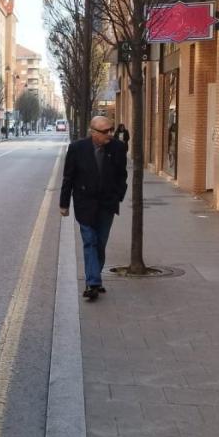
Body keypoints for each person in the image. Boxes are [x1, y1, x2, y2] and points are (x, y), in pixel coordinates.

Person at [60, 116, 128, 301]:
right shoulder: (77, 148)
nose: (110, 134)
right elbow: (68, 178)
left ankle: (94, 278)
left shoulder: (118, 148)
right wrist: (64, 204)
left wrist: (118, 196)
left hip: (107, 204)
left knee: (100, 243)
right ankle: (93, 283)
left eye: (111, 129)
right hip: (85, 204)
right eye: (106, 131)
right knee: (89, 241)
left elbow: (122, 176)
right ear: (93, 132)